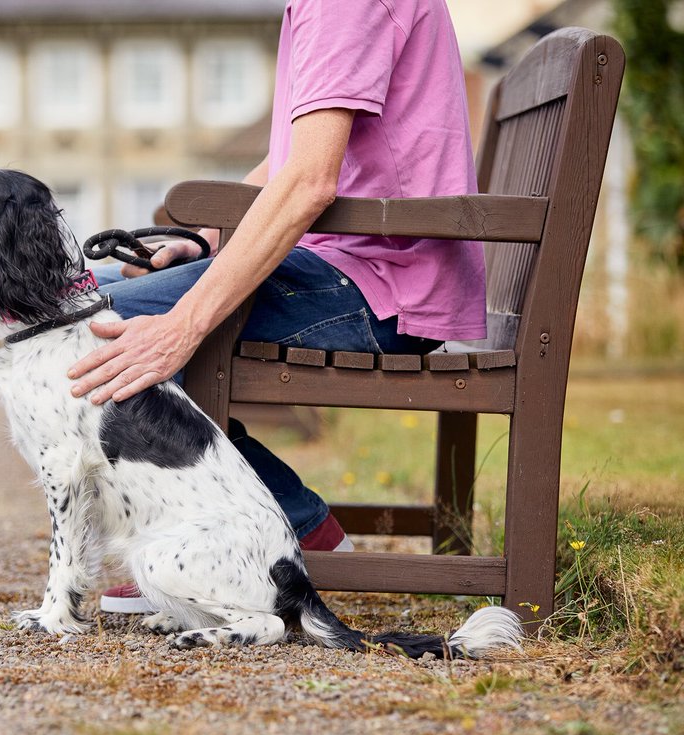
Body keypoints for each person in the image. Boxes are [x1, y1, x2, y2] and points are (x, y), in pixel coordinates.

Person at [70, 0, 488, 613]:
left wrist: (183, 324)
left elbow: (309, 182)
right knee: (78, 298)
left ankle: (278, 529)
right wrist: (197, 242)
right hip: (358, 264)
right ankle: (243, 528)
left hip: (380, 286)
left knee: (87, 328)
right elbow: (288, 161)